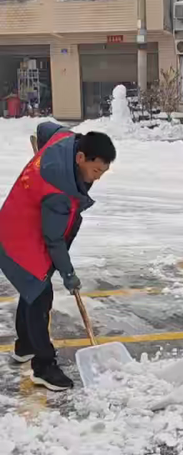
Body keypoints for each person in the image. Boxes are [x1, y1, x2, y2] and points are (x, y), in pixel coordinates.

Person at [0, 122, 116, 391]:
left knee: (31, 289)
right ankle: (43, 366)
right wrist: (68, 274)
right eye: (96, 170)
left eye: (103, 172)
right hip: (20, 238)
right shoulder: (60, 192)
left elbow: (44, 128)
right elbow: (54, 240)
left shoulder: (65, 138)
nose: (97, 177)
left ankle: (25, 346)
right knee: (40, 295)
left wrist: (41, 150)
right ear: (80, 158)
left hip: (18, 221)